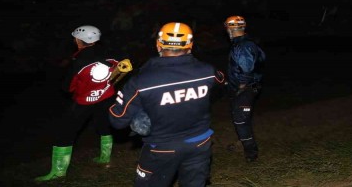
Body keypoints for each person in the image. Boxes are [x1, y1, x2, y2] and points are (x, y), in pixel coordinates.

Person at [109, 22, 225, 187]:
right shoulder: (207, 71)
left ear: (158, 45)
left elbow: (117, 120)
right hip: (200, 144)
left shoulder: (141, 81)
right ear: (190, 45)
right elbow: (220, 83)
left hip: (161, 149)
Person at [35, 25, 130, 182]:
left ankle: (58, 172)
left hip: (84, 102)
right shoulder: (109, 54)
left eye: (75, 38)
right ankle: (105, 157)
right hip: (106, 96)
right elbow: (119, 68)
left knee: (65, 132)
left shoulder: (79, 61)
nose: (74, 40)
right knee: (104, 125)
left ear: (79, 40)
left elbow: (67, 87)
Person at [223, 15, 266, 162]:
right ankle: (242, 142)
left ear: (230, 28)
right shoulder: (245, 43)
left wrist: (241, 87)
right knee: (241, 119)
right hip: (248, 87)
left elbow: (247, 70)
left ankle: (251, 153)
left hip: (245, 89)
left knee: (240, 120)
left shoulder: (242, 46)